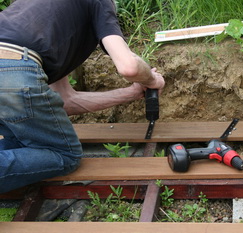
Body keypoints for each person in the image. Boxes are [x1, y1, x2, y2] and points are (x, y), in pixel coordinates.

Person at [0, 0, 165, 193]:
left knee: (20, 142)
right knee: (65, 155)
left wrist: (131, 93)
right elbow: (129, 67)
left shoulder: (38, 17)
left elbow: (65, 101)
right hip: (12, 71)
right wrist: (152, 80)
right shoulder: (99, 2)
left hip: (11, 72)